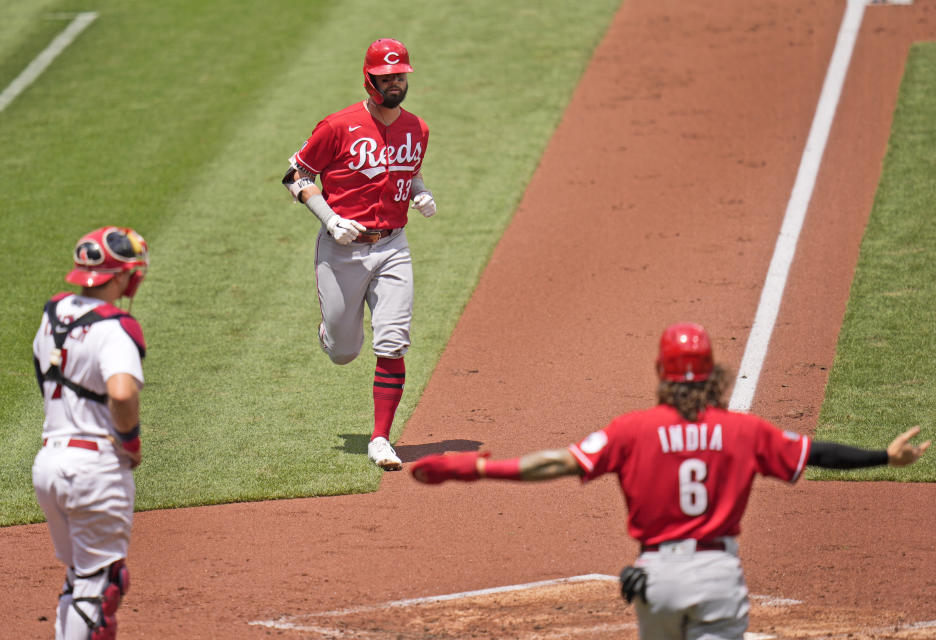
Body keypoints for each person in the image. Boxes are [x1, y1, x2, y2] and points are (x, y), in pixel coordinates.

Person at [410, 322, 930, 639]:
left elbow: (552, 464)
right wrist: (883, 457)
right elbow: (816, 452)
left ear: (662, 373)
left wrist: (473, 468)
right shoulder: (742, 431)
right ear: (712, 375)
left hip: (655, 580)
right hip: (718, 575)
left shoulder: (632, 430)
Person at [282, 37, 435, 471]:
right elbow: (296, 174)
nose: (394, 83)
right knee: (344, 351)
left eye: (400, 76)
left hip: (393, 247)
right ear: (369, 80)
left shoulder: (417, 128)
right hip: (342, 252)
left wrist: (420, 195)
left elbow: (410, 172)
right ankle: (331, 335)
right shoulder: (336, 126)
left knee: (392, 340)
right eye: (386, 78)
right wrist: (328, 217)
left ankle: (381, 438)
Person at [32, 226, 149, 639]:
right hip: (94, 467)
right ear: (120, 277)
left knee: (81, 577)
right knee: (103, 582)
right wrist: (130, 439)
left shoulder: (52, 314)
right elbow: (120, 392)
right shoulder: (116, 327)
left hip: (49, 462)